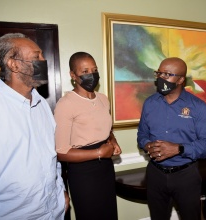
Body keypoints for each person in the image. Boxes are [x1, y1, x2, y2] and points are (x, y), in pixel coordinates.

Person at [0, 33, 69, 219]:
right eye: (36, 57)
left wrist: (62, 191)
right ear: (13, 64)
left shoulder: (42, 105)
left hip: (54, 211)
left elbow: (52, 158)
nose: (44, 61)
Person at [137, 57, 206, 220]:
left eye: (167, 74)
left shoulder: (198, 106)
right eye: (159, 73)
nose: (161, 78)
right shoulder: (150, 103)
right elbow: (142, 135)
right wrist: (147, 145)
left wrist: (179, 149)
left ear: (181, 79)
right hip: (155, 174)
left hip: (186, 175)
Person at [54, 52, 122, 220]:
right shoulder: (66, 104)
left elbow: (107, 130)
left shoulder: (103, 99)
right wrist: (98, 153)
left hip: (105, 168)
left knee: (109, 214)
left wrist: (113, 141)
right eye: (84, 71)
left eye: (94, 69)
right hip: (83, 172)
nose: (91, 74)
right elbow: (61, 152)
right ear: (73, 75)